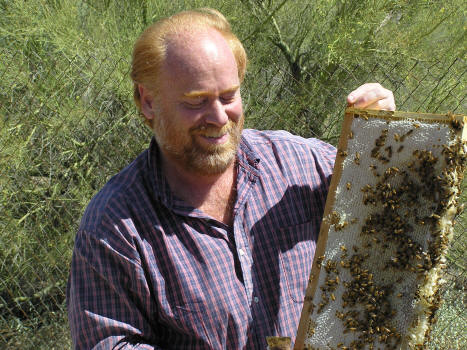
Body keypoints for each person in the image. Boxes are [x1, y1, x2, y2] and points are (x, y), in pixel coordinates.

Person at [66, 8, 395, 350]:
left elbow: (394, 218)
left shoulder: (300, 163)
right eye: (196, 101)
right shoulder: (114, 228)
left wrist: (385, 144)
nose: (219, 116)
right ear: (149, 102)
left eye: (228, 96)